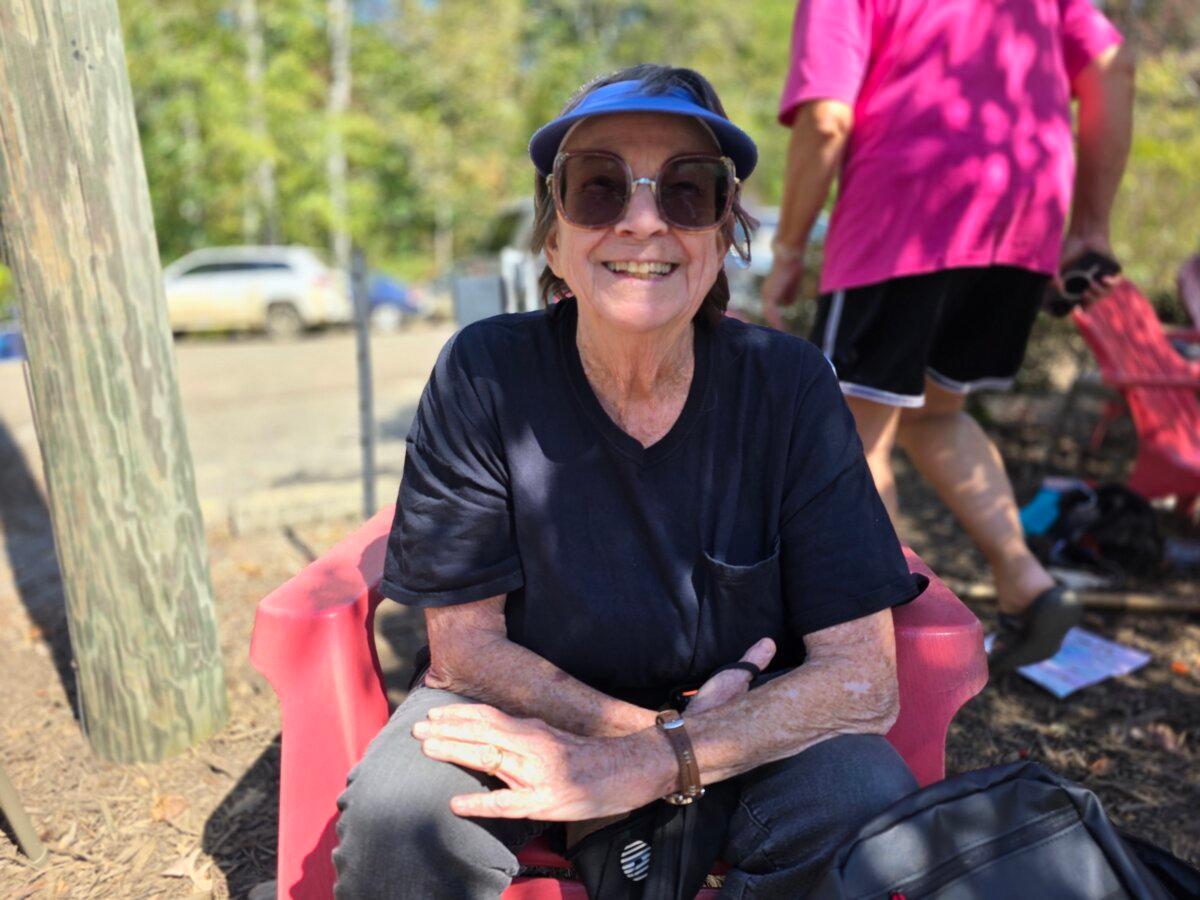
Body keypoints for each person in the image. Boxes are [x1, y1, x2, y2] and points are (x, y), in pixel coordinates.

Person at [332, 65, 926, 899]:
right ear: (553, 240)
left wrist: (659, 761)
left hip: (741, 729)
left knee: (864, 803)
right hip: (532, 710)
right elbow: (465, 651)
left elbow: (862, 678)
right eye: (599, 187)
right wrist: (651, 742)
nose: (643, 221)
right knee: (401, 817)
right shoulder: (486, 373)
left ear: (724, 236)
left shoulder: (789, 385)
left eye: (687, 191)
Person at [762, 0, 1135, 673]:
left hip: (905, 209)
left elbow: (826, 118)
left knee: (852, 432)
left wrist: (787, 251)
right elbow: (1113, 67)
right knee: (939, 413)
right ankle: (1028, 582)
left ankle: (893, 636)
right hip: (1023, 216)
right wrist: (1091, 226)